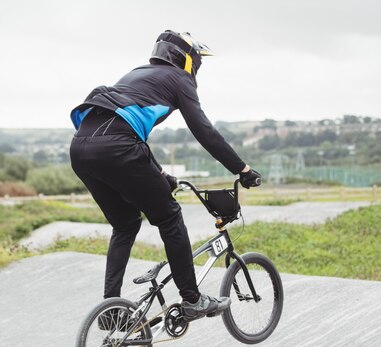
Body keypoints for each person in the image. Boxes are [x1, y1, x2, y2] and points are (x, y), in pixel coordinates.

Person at [69, 30, 260, 322]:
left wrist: (160, 174)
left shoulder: (138, 74)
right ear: (187, 60)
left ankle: (110, 309)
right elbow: (204, 131)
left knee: (125, 224)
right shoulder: (179, 80)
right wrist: (242, 169)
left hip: (82, 149)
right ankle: (192, 299)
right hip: (119, 146)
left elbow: (129, 133)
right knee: (170, 217)